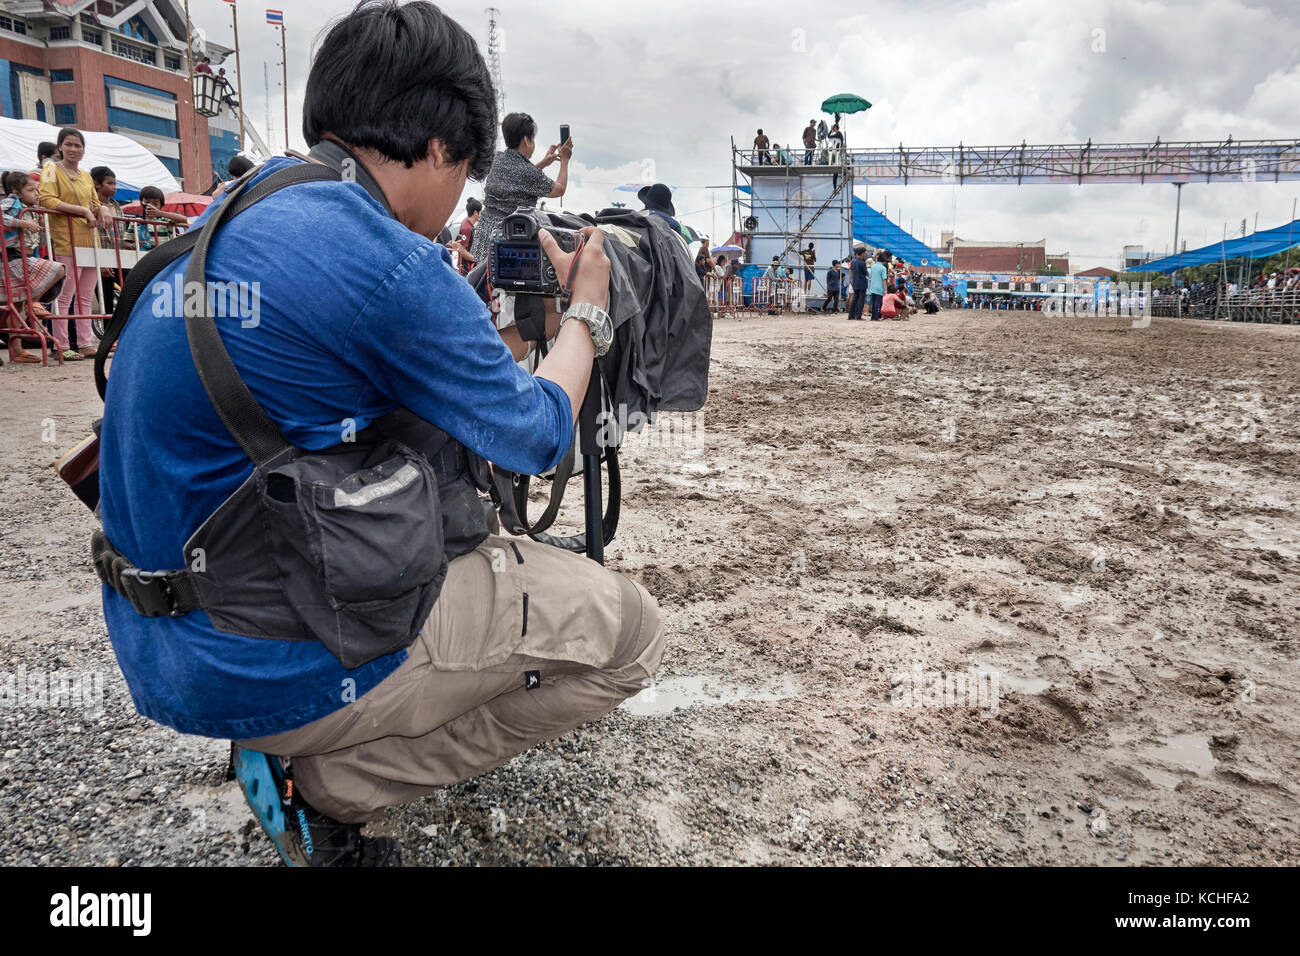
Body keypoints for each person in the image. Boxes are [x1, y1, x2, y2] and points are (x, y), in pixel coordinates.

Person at [99, 0, 662, 869]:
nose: (453, 203)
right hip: (256, 661)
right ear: (440, 149)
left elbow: (387, 373)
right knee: (630, 637)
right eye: (464, 174)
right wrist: (587, 307)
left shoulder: (244, 209)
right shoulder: (386, 257)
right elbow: (542, 436)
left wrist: (520, 330)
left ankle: (314, 736)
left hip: (161, 641)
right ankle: (329, 782)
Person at [38, 126, 114, 360]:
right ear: (60, 146)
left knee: (85, 295)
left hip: (89, 241)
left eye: (78, 145)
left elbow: (93, 203)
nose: (73, 149)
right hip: (65, 240)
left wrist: (101, 208)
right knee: (65, 295)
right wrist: (82, 210)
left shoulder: (85, 176)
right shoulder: (51, 169)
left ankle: (84, 343)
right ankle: (60, 344)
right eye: (68, 144)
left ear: (83, 150)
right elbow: (47, 199)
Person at [469, 111, 572, 266]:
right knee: (503, 284)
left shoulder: (496, 159)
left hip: (485, 234)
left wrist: (543, 163)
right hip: (507, 238)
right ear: (526, 140)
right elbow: (559, 189)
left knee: (483, 283)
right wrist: (565, 160)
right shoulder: (527, 172)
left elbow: (518, 178)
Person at [2, 170, 66, 362]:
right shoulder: (12, 203)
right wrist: (20, 222)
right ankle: (35, 302)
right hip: (12, 257)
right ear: (17, 191)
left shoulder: (31, 211)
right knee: (58, 269)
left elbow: (38, 243)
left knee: (18, 304)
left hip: (24, 257)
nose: (36, 194)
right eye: (31, 190)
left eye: (37, 190)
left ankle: (17, 350)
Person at [92, 166, 131, 315]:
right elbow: (92, 233)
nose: (114, 187)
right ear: (97, 184)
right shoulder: (92, 206)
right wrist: (102, 261)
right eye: (109, 183)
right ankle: (107, 336)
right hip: (101, 260)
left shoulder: (117, 206)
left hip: (120, 259)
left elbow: (121, 235)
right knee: (106, 303)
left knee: (129, 297)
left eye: (115, 183)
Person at [132, 185, 189, 252]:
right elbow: (125, 243)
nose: (151, 206)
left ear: (161, 206)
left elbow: (186, 220)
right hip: (143, 258)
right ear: (142, 203)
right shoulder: (136, 222)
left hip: (163, 257)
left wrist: (160, 213)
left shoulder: (164, 220)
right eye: (147, 203)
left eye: (155, 204)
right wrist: (132, 246)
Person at [456, 197, 481, 275]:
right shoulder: (467, 228)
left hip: (468, 268)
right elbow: (462, 250)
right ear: (475, 213)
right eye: (481, 213)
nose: (481, 216)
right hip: (466, 270)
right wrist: (477, 260)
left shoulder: (466, 222)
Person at [847, 247, 868, 320]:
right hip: (862, 282)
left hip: (855, 282)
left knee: (854, 299)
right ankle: (858, 316)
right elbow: (866, 273)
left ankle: (851, 315)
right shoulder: (862, 262)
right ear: (862, 253)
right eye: (864, 253)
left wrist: (851, 279)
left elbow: (851, 271)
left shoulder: (853, 261)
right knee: (861, 300)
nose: (865, 255)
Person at [868, 250, 888, 321]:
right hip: (880, 287)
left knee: (873, 303)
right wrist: (885, 290)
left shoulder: (873, 266)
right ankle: (876, 317)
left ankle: (873, 316)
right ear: (884, 260)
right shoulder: (883, 268)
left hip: (873, 286)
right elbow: (884, 279)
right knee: (878, 303)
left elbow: (870, 277)